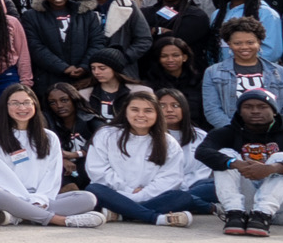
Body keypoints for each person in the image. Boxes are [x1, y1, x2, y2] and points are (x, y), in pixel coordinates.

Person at [82, 89, 210, 227]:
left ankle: (122, 214)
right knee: (94, 189)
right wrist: (129, 191)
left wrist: (142, 195)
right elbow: (97, 170)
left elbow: (170, 178)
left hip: (151, 197)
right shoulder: (106, 134)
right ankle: (155, 218)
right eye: (135, 110)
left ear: (157, 114)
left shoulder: (168, 142)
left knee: (182, 197)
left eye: (148, 111)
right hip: (115, 194)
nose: (141, 115)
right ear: (125, 111)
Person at [0, 90, 104, 227]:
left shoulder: (49, 137)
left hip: (40, 198)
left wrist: (38, 199)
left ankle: (17, 216)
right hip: (8, 197)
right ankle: (60, 220)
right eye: (15, 103)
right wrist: (23, 200)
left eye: (26, 102)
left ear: (35, 105)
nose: (22, 107)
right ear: (5, 106)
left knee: (87, 199)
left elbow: (53, 175)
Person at [199, 86, 283, 237]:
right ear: (239, 111)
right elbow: (202, 151)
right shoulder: (227, 132)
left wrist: (272, 168)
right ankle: (234, 213)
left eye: (262, 106)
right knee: (225, 155)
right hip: (247, 210)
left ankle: (263, 213)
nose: (255, 111)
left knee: (282, 157)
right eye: (248, 107)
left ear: (274, 110)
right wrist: (235, 163)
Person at [196, 18, 283, 131]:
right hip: (232, 133)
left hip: (275, 133)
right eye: (237, 43)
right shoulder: (213, 72)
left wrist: (278, 129)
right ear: (229, 44)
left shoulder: (279, 72)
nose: (244, 47)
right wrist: (235, 131)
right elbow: (212, 110)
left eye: (250, 42)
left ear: (259, 42)